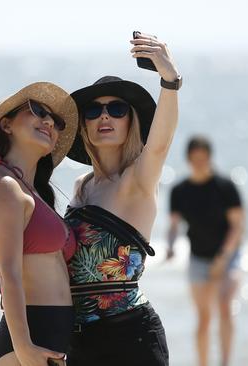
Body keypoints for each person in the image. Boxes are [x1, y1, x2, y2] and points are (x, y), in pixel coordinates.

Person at [64, 32, 182, 366]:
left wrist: (170, 80)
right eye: (93, 111)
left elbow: (160, 143)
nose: (104, 117)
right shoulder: (80, 185)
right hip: (79, 342)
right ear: (84, 125)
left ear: (131, 121)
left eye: (116, 109)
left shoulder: (138, 179)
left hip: (131, 338)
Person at [0, 82, 79, 366]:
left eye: (56, 121)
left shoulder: (30, 192)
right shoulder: (1, 186)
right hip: (29, 342)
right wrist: (24, 348)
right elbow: (10, 272)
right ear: (6, 125)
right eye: (37, 111)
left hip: (49, 338)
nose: (48, 122)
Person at [167, 136, 245, 366]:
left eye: (203, 158)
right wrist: (170, 246)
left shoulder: (225, 187)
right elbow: (173, 225)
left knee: (224, 306)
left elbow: (238, 226)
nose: (199, 162)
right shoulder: (179, 190)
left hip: (228, 256)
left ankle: (225, 362)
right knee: (203, 318)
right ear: (189, 159)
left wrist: (223, 257)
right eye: (195, 158)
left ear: (210, 158)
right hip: (198, 258)